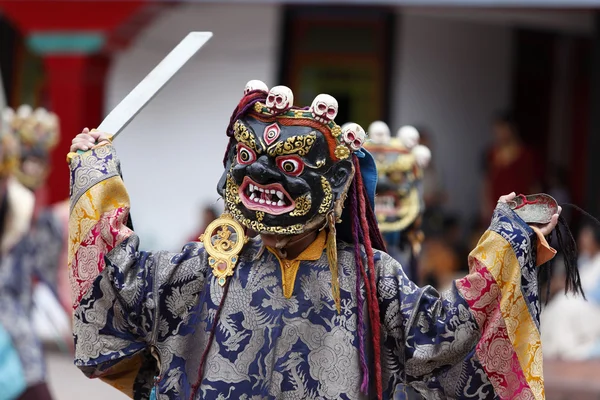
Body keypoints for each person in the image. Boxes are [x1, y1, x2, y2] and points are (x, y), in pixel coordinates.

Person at [68, 81, 562, 399]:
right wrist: (95, 176)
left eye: (289, 167)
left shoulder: (372, 277)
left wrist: (508, 245)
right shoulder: (201, 265)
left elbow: (451, 339)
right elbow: (115, 287)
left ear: (339, 187)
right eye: (248, 156)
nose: (262, 176)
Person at [0, 106, 55, 400]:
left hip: (19, 310)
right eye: (26, 161)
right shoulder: (12, 201)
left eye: (38, 162)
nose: (32, 168)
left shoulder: (32, 208)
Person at [541, 223, 600, 360]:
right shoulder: (584, 260)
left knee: (564, 305)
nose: (582, 240)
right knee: (551, 306)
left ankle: (563, 346)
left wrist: (571, 289)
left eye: (587, 237)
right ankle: (548, 346)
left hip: (592, 309)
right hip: (575, 303)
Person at [481, 112, 542, 222]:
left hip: (519, 209)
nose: (499, 133)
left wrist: (534, 210)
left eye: (502, 128)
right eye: (496, 130)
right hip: (497, 207)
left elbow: (533, 184)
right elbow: (487, 182)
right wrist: (485, 205)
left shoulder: (525, 154)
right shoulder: (491, 154)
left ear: (511, 129)